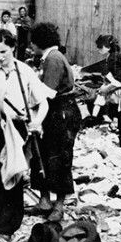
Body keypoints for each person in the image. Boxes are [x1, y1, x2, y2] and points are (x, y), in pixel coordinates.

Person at [0, 28, 50, 236]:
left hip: (17, 128)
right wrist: (1, 112)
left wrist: (36, 122)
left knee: (14, 172)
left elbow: (42, 103)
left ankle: (8, 224)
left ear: (13, 48)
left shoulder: (25, 71)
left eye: (4, 52)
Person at [29, 22, 81, 221]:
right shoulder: (49, 57)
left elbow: (48, 92)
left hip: (61, 112)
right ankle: (44, 201)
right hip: (53, 111)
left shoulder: (53, 59)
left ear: (39, 42)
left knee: (59, 157)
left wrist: (30, 86)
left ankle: (58, 205)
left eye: (33, 42)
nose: (31, 46)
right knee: (41, 153)